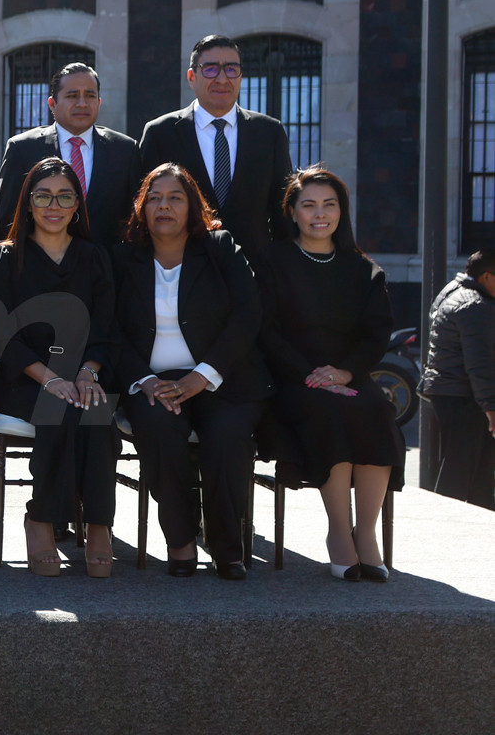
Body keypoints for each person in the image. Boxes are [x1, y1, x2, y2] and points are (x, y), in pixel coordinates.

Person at [111, 163, 273, 580]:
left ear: (193, 206)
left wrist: (202, 375)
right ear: (141, 208)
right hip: (151, 383)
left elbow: (247, 315)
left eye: (175, 198)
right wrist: (145, 380)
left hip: (222, 379)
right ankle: (180, 542)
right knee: (160, 431)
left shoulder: (220, 248)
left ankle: (227, 548)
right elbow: (107, 328)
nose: (164, 206)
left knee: (225, 437)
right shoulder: (124, 257)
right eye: (155, 198)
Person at [255, 167, 402, 582]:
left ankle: (366, 533)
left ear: (342, 211)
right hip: (290, 379)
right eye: (309, 205)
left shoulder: (362, 268)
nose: (320, 214)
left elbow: (377, 333)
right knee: (329, 412)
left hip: (348, 375)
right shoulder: (271, 261)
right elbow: (265, 330)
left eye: (329, 204)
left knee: (377, 409)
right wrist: (311, 375)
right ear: (293, 212)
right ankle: (339, 532)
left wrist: (345, 373)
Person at [0, 157, 120, 577]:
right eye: (43, 195)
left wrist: (87, 372)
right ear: (27, 204)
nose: (53, 205)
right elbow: (1, 333)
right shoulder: (4, 260)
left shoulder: (94, 258)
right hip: (24, 378)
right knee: (56, 411)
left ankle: (98, 524)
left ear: (77, 205)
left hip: (83, 375)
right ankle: (40, 519)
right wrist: (50, 378)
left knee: (99, 416)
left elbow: (107, 325)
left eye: (64, 196)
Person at [139, 34, 293, 261]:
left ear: (241, 77)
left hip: (255, 274)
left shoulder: (269, 133)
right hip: (182, 270)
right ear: (192, 77)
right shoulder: (161, 133)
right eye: (211, 69)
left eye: (231, 69)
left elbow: (283, 211)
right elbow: (143, 210)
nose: (222, 79)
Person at [0, 62, 142, 247]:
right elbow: (7, 219)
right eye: (72, 96)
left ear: (99, 102)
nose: (82, 103)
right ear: (52, 103)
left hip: (107, 271)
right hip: (39, 268)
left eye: (89, 96)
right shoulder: (23, 148)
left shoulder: (124, 150)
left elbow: (134, 221)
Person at [419, 249, 495, 511]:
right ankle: (443, 524)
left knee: (471, 468)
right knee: (461, 470)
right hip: (464, 395)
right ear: (486, 276)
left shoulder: (451, 290)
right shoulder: (475, 305)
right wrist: (490, 406)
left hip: (451, 391)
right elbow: (480, 362)